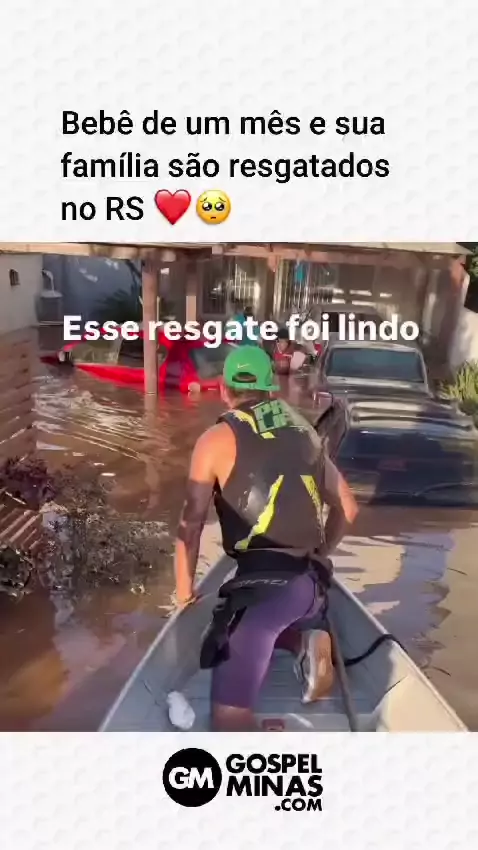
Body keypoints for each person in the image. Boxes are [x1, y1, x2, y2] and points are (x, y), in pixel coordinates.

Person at [174, 345, 358, 731]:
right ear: (271, 388)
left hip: (267, 595)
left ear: (223, 388)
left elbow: (190, 525)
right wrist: (322, 553)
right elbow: (348, 508)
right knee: (276, 616)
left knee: (228, 719)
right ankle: (304, 641)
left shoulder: (215, 439)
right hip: (310, 589)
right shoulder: (305, 432)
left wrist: (185, 593)